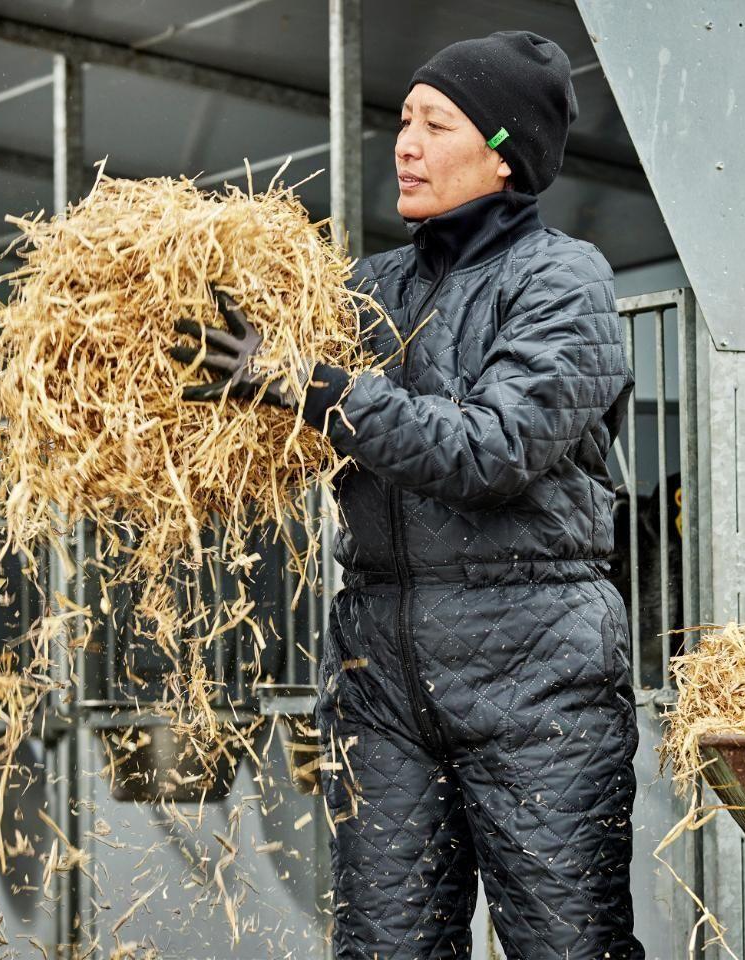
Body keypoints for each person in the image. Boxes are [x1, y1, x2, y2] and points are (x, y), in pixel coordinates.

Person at [174, 30, 643, 960]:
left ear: (503, 153)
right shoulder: (368, 291)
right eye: (403, 121)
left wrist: (317, 389)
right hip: (382, 687)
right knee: (386, 948)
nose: (406, 143)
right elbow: (281, 425)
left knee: (567, 945)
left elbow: (494, 450)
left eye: (436, 123)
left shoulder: (563, 281)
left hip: (535, 680)